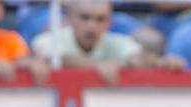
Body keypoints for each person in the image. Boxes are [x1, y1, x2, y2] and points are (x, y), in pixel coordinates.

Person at [30, 0, 181, 80]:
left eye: (100, 19)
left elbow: (138, 58)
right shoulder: (52, 39)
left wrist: (161, 62)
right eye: (85, 17)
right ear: (70, 18)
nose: (91, 26)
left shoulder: (115, 41)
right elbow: (57, 59)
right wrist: (102, 65)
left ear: (109, 23)